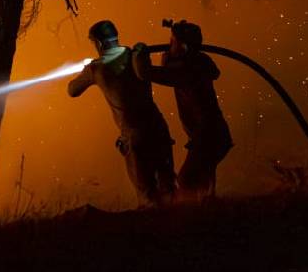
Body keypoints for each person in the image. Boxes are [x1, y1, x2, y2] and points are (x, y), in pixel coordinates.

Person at [68, 19, 175, 205]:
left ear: (99, 43)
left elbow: (72, 90)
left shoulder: (96, 68)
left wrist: (88, 69)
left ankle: (157, 232)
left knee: (147, 195)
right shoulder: (136, 55)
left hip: (134, 135)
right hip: (158, 127)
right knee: (169, 188)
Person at [132, 19, 233, 200]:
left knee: (187, 181)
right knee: (205, 185)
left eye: (173, 41)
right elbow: (170, 71)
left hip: (208, 136)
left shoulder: (187, 71)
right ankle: (211, 215)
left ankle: (191, 219)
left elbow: (145, 73)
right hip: (212, 134)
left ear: (184, 46)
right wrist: (169, 57)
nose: (169, 44)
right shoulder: (198, 62)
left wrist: (139, 54)